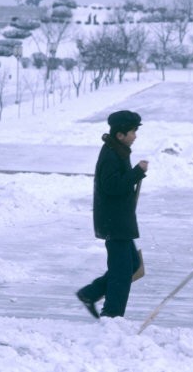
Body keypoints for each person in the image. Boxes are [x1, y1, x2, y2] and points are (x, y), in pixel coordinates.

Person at [77, 110, 148, 318]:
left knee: (132, 264)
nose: (135, 136)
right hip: (114, 222)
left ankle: (91, 293)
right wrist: (137, 172)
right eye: (132, 132)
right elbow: (112, 186)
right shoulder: (111, 154)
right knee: (122, 271)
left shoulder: (119, 150)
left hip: (119, 220)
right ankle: (112, 315)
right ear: (120, 135)